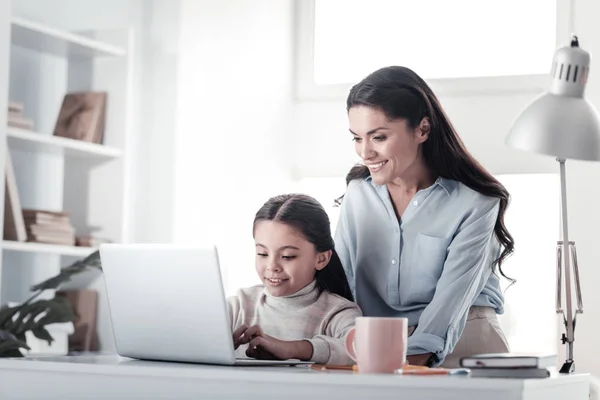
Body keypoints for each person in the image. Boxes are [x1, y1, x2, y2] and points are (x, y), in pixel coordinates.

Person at [334, 66, 513, 368]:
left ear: (422, 130)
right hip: (382, 349)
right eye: (356, 138)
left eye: (378, 137)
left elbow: (450, 305)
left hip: (465, 343)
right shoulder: (357, 195)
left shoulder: (476, 203)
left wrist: (404, 366)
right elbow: (340, 287)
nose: (365, 152)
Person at [228, 194, 361, 365]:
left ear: (321, 259)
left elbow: (361, 349)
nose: (272, 266)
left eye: (287, 256)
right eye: (262, 253)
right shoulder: (238, 306)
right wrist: (214, 345)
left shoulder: (337, 313)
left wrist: (292, 349)